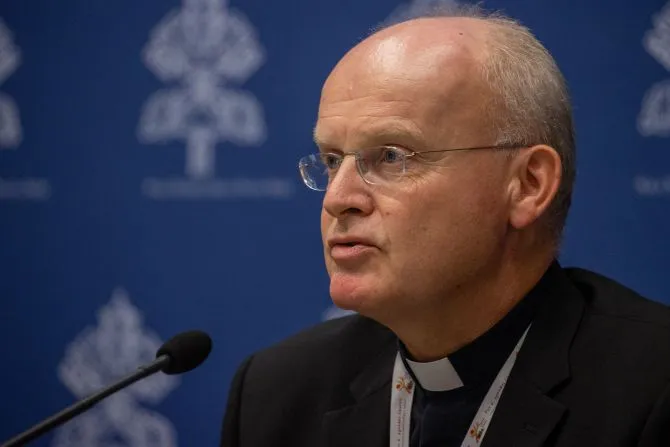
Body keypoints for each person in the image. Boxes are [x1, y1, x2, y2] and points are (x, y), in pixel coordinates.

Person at [221, 6, 670, 447]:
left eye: (392, 157)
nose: (339, 199)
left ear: (528, 184)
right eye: (332, 161)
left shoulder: (653, 387)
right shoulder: (278, 392)